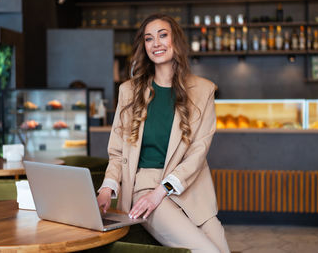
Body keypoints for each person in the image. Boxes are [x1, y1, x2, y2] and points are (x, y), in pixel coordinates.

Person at [97, 14, 230, 253]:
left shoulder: (204, 90)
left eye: (163, 35)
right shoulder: (129, 91)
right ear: (144, 46)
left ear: (175, 41)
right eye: (149, 39)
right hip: (144, 189)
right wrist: (107, 189)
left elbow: (198, 153)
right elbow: (117, 151)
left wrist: (163, 191)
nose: (156, 43)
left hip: (192, 191)